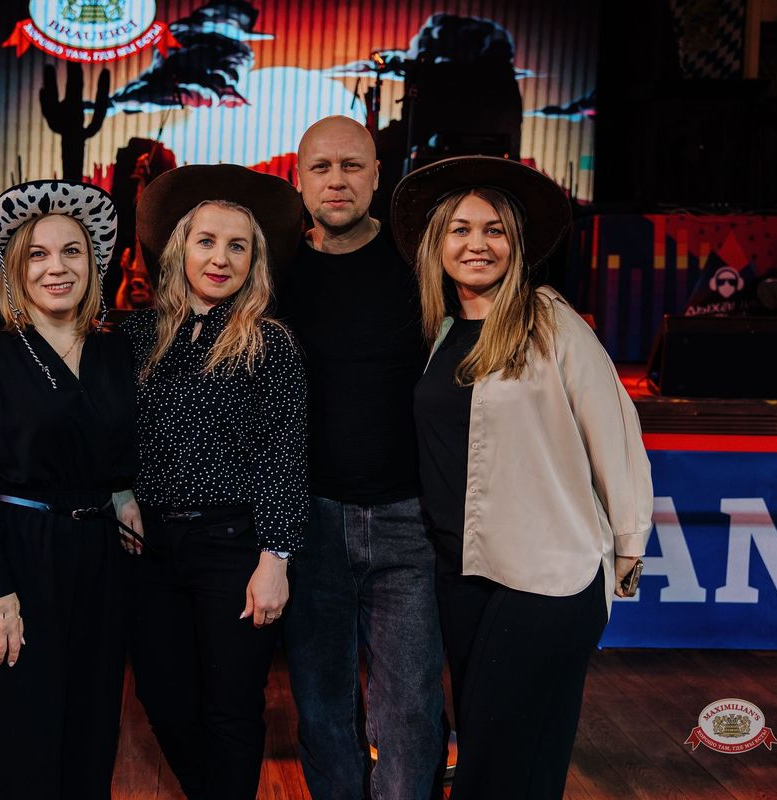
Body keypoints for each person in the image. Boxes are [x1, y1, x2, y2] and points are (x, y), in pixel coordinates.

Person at [393, 155, 653, 799]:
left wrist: (628, 543)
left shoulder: (549, 320)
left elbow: (615, 430)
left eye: (494, 230)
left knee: (498, 759)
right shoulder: (438, 331)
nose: (476, 244)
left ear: (516, 244)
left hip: (548, 572)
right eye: (460, 229)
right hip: (461, 571)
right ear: (436, 244)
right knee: (509, 753)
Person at [0, 180, 139, 800]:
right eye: (38, 254)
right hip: (12, 554)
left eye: (72, 251)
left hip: (96, 558)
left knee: (87, 731)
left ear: (93, 262)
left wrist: (122, 494)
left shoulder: (112, 347)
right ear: (13, 267)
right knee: (10, 738)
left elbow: (110, 447)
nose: (57, 267)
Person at [121, 164, 308, 800]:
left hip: (234, 546)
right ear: (181, 249)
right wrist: (120, 493)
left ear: (255, 261)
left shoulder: (269, 345)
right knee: (163, 700)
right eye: (206, 241)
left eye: (237, 246)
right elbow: (106, 431)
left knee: (231, 707)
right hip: (149, 550)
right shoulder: (136, 336)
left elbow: (285, 456)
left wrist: (275, 559)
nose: (220, 258)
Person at [278, 115, 446, 800]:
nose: (337, 180)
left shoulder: (421, 266)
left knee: (408, 711)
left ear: (378, 176)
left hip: (409, 519)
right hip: (310, 521)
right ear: (299, 179)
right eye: (321, 167)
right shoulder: (275, 274)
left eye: (352, 166)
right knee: (321, 708)